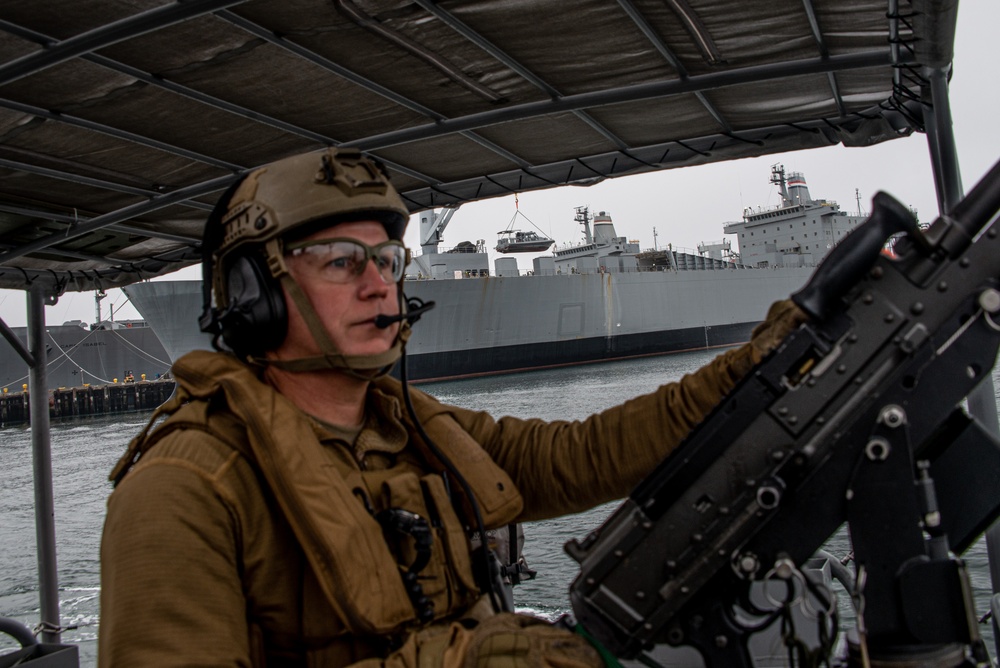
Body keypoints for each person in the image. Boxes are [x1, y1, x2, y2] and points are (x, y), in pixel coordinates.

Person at [99, 148, 806, 667]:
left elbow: (582, 453)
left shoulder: (413, 429)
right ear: (255, 295)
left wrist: (757, 365)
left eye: (387, 261)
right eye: (343, 261)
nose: (381, 286)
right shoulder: (184, 488)